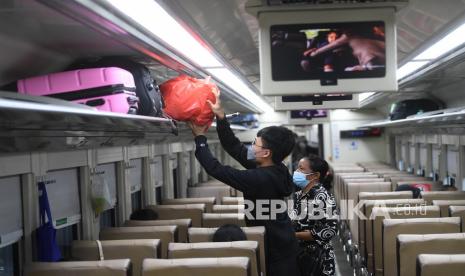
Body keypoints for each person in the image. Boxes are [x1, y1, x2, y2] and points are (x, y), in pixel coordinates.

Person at [186, 89, 300, 276]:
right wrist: (221, 118)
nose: (251, 146)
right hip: (282, 239)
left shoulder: (260, 178)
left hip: (275, 248)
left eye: (255, 143)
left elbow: (216, 169)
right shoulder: (275, 168)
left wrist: (200, 140)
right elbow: (235, 147)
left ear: (265, 153)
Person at [290, 156, 337, 276]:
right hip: (301, 255)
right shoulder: (300, 194)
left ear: (315, 175)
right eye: (297, 168)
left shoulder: (322, 197)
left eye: (301, 169)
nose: (296, 172)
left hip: (317, 258)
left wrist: (295, 235)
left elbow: (330, 230)